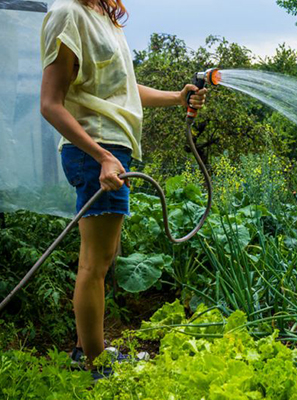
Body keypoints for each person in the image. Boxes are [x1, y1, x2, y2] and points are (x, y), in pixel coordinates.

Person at [39, 0, 207, 377]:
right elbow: (50, 104)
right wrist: (101, 157)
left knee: (102, 255)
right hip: (96, 148)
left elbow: (124, 92)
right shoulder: (68, 12)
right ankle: (98, 365)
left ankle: (87, 349)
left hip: (112, 148)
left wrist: (176, 98)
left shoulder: (105, 18)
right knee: (95, 263)